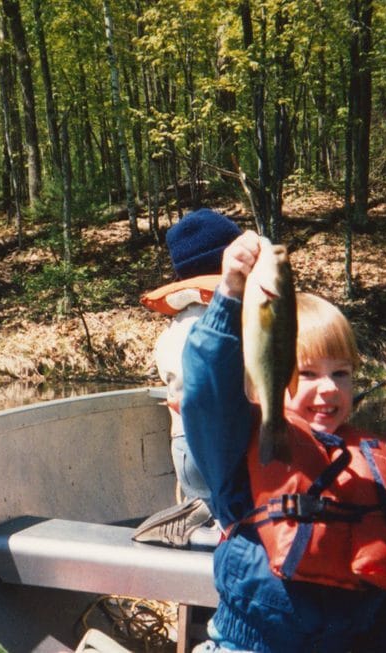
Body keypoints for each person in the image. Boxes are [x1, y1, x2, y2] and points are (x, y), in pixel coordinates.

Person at [181, 230, 386, 652]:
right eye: (308, 374)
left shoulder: (370, 462)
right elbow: (207, 392)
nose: (328, 388)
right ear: (268, 374)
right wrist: (230, 295)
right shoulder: (239, 448)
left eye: (341, 373)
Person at [132, 209, 241, 548]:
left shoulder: (178, 325)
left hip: (185, 444)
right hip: (215, 446)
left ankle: (201, 518)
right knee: (234, 522)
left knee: (215, 515)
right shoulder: (222, 322)